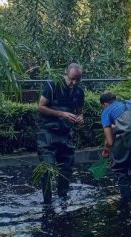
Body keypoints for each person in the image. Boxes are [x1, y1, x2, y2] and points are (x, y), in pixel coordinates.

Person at [36, 63, 84, 202]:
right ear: (65, 74)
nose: (73, 83)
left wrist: (80, 119)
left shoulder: (79, 91)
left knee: (67, 168)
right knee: (47, 169)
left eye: (77, 80)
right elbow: (40, 107)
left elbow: (80, 113)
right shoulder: (52, 85)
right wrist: (61, 114)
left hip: (66, 134)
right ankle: (47, 203)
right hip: (47, 134)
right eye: (71, 79)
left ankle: (63, 198)